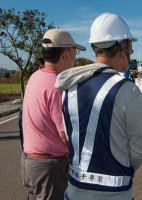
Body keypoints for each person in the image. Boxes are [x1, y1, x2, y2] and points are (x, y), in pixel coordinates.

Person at [54, 13, 142, 200]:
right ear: (123, 48)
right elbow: (139, 151)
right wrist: (123, 169)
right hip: (115, 193)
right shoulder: (128, 90)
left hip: (74, 190)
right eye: (129, 48)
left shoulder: (69, 87)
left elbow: (69, 135)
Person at [21, 28, 86, 200]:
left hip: (31, 162)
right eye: (74, 52)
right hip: (49, 168)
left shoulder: (36, 76)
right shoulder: (57, 86)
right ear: (65, 54)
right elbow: (65, 134)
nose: (75, 57)